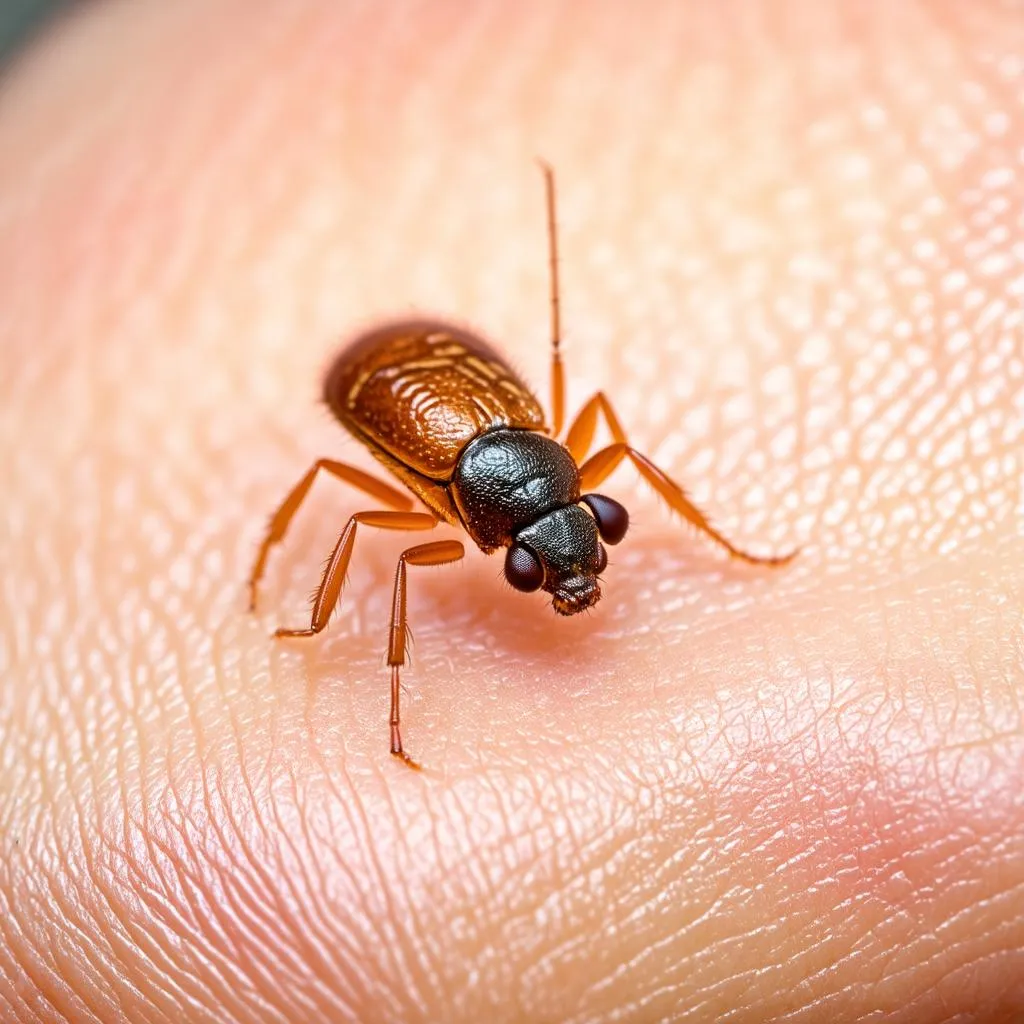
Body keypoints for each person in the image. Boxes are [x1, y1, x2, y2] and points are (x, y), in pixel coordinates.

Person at [2, 2, 1021, 1020]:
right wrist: (374, 678)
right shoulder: (452, 502)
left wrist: (714, 543)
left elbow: (600, 434)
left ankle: (701, 542)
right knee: (370, 529)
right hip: (402, 389)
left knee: (551, 449)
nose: (573, 562)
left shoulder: (562, 458)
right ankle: (316, 622)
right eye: (547, 561)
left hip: (459, 398)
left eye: (574, 543)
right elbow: (363, 522)